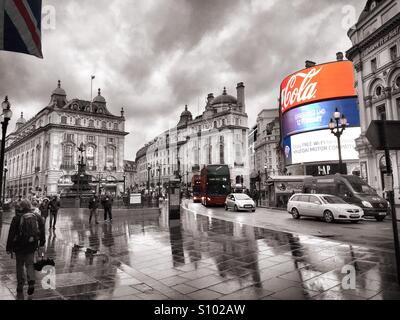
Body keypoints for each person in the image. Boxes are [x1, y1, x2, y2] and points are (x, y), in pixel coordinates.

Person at [6, 199, 46, 296]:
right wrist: (42, 243)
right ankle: (31, 281)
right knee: (30, 264)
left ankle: (20, 285)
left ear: (22, 207)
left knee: (19, 265)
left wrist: (9, 247)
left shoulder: (17, 218)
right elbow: (42, 231)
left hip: (19, 246)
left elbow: (11, 234)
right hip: (32, 245)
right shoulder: (37, 217)